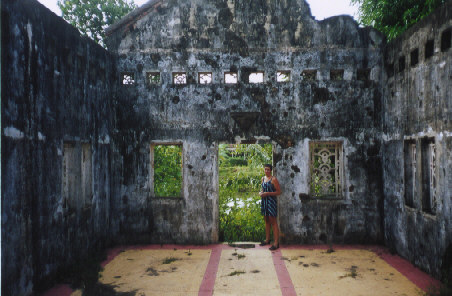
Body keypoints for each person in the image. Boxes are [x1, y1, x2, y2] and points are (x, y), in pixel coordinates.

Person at [259, 164, 281, 250]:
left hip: (271, 202)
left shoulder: (274, 179)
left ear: (271, 170)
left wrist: (268, 194)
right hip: (264, 202)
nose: (267, 171)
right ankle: (267, 239)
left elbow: (279, 192)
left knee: (273, 221)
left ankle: (276, 243)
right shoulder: (263, 179)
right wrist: (260, 193)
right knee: (266, 220)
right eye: (265, 169)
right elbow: (262, 189)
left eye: (268, 169)